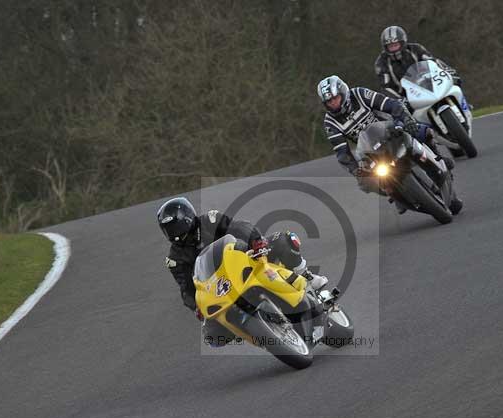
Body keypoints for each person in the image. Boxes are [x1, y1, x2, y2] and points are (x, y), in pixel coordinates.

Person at [157, 197, 328, 345]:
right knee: (212, 335)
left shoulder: (210, 220)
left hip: (248, 257)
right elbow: (187, 287)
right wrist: (197, 308)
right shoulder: (175, 258)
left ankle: (306, 275)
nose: (172, 232)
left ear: (186, 218)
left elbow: (239, 226)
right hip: (221, 286)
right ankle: (253, 330)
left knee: (284, 239)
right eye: (167, 229)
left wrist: (256, 240)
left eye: (174, 226)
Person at [317, 75, 460, 214]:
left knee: (424, 132)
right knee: (365, 183)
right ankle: (394, 193)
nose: (333, 103)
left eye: (335, 98)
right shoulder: (330, 123)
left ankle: (438, 157)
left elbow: (391, 104)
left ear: (343, 92)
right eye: (329, 102)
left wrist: (405, 119)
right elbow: (342, 153)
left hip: (391, 131)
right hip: (370, 150)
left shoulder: (360, 94)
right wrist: (356, 170)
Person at [374, 25, 465, 100]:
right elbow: (386, 86)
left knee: (454, 84)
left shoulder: (416, 49)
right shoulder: (381, 62)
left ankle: (461, 102)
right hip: (407, 97)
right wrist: (399, 99)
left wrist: (447, 71)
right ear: (385, 48)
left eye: (395, 45)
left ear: (403, 42)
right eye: (391, 46)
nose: (394, 48)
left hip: (429, 82)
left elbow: (432, 61)